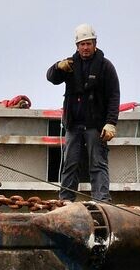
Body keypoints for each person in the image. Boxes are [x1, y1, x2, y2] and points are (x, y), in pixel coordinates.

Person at [46, 23, 121, 203]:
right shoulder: (69, 65)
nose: (85, 47)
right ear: (77, 46)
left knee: (98, 164)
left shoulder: (105, 67)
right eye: (82, 44)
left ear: (95, 43)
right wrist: (57, 67)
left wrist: (111, 122)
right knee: (70, 164)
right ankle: (66, 200)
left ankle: (101, 201)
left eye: (88, 43)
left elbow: (114, 96)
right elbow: (51, 77)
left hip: (95, 126)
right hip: (74, 125)